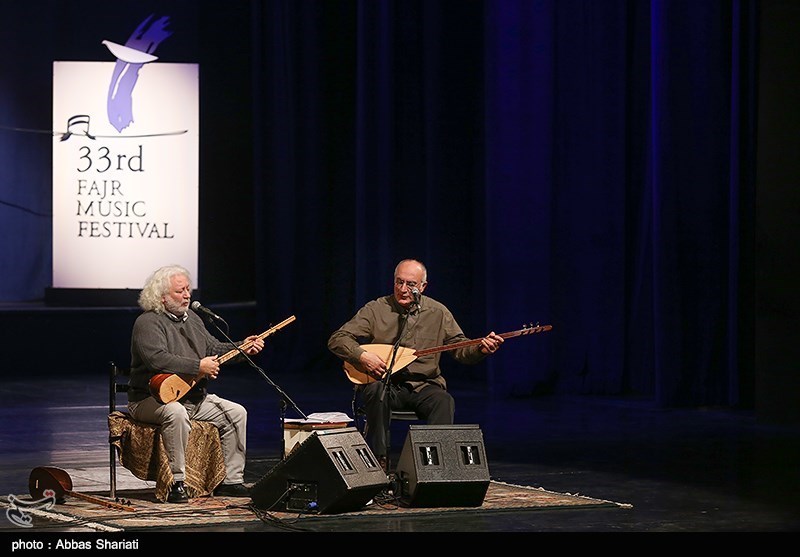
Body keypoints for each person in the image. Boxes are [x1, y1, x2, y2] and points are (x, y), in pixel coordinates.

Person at [327, 258, 503, 471]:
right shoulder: (376, 309)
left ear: (423, 286)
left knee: (444, 401)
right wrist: (363, 356)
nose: (402, 289)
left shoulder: (438, 312)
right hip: (387, 385)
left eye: (410, 285)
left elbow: (459, 348)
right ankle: (378, 463)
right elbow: (338, 338)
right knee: (375, 391)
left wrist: (480, 349)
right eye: (398, 282)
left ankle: (437, 466)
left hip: (424, 386)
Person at [127, 264, 265, 503]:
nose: (187, 295)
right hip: (149, 399)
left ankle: (232, 481)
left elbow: (213, 349)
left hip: (191, 396)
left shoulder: (194, 321)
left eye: (188, 290)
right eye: (180, 291)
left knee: (236, 413)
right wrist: (197, 367)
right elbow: (156, 358)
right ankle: (176, 483)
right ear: (162, 297)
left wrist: (243, 347)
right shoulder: (147, 322)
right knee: (176, 413)